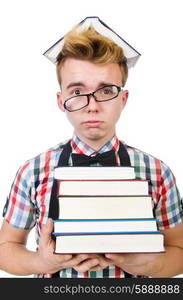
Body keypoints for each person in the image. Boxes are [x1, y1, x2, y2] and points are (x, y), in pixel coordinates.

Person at [0, 16, 183, 278]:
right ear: (61, 101)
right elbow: (5, 247)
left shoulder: (157, 172)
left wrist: (148, 265)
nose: (92, 105)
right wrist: (43, 263)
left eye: (106, 90)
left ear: (124, 99)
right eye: (77, 92)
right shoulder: (32, 171)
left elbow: (179, 248)